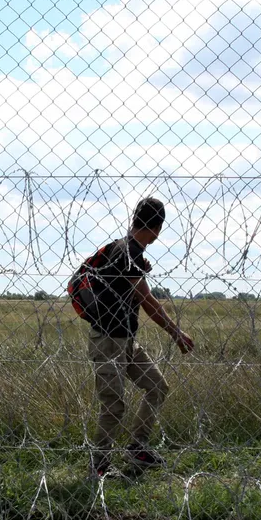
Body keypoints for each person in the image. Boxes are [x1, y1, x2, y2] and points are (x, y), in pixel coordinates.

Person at [69, 196, 194, 477]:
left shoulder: (124, 249)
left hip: (125, 340)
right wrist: (176, 333)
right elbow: (147, 300)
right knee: (114, 405)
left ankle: (137, 448)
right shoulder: (128, 254)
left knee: (157, 387)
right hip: (108, 340)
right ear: (157, 228)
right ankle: (98, 466)